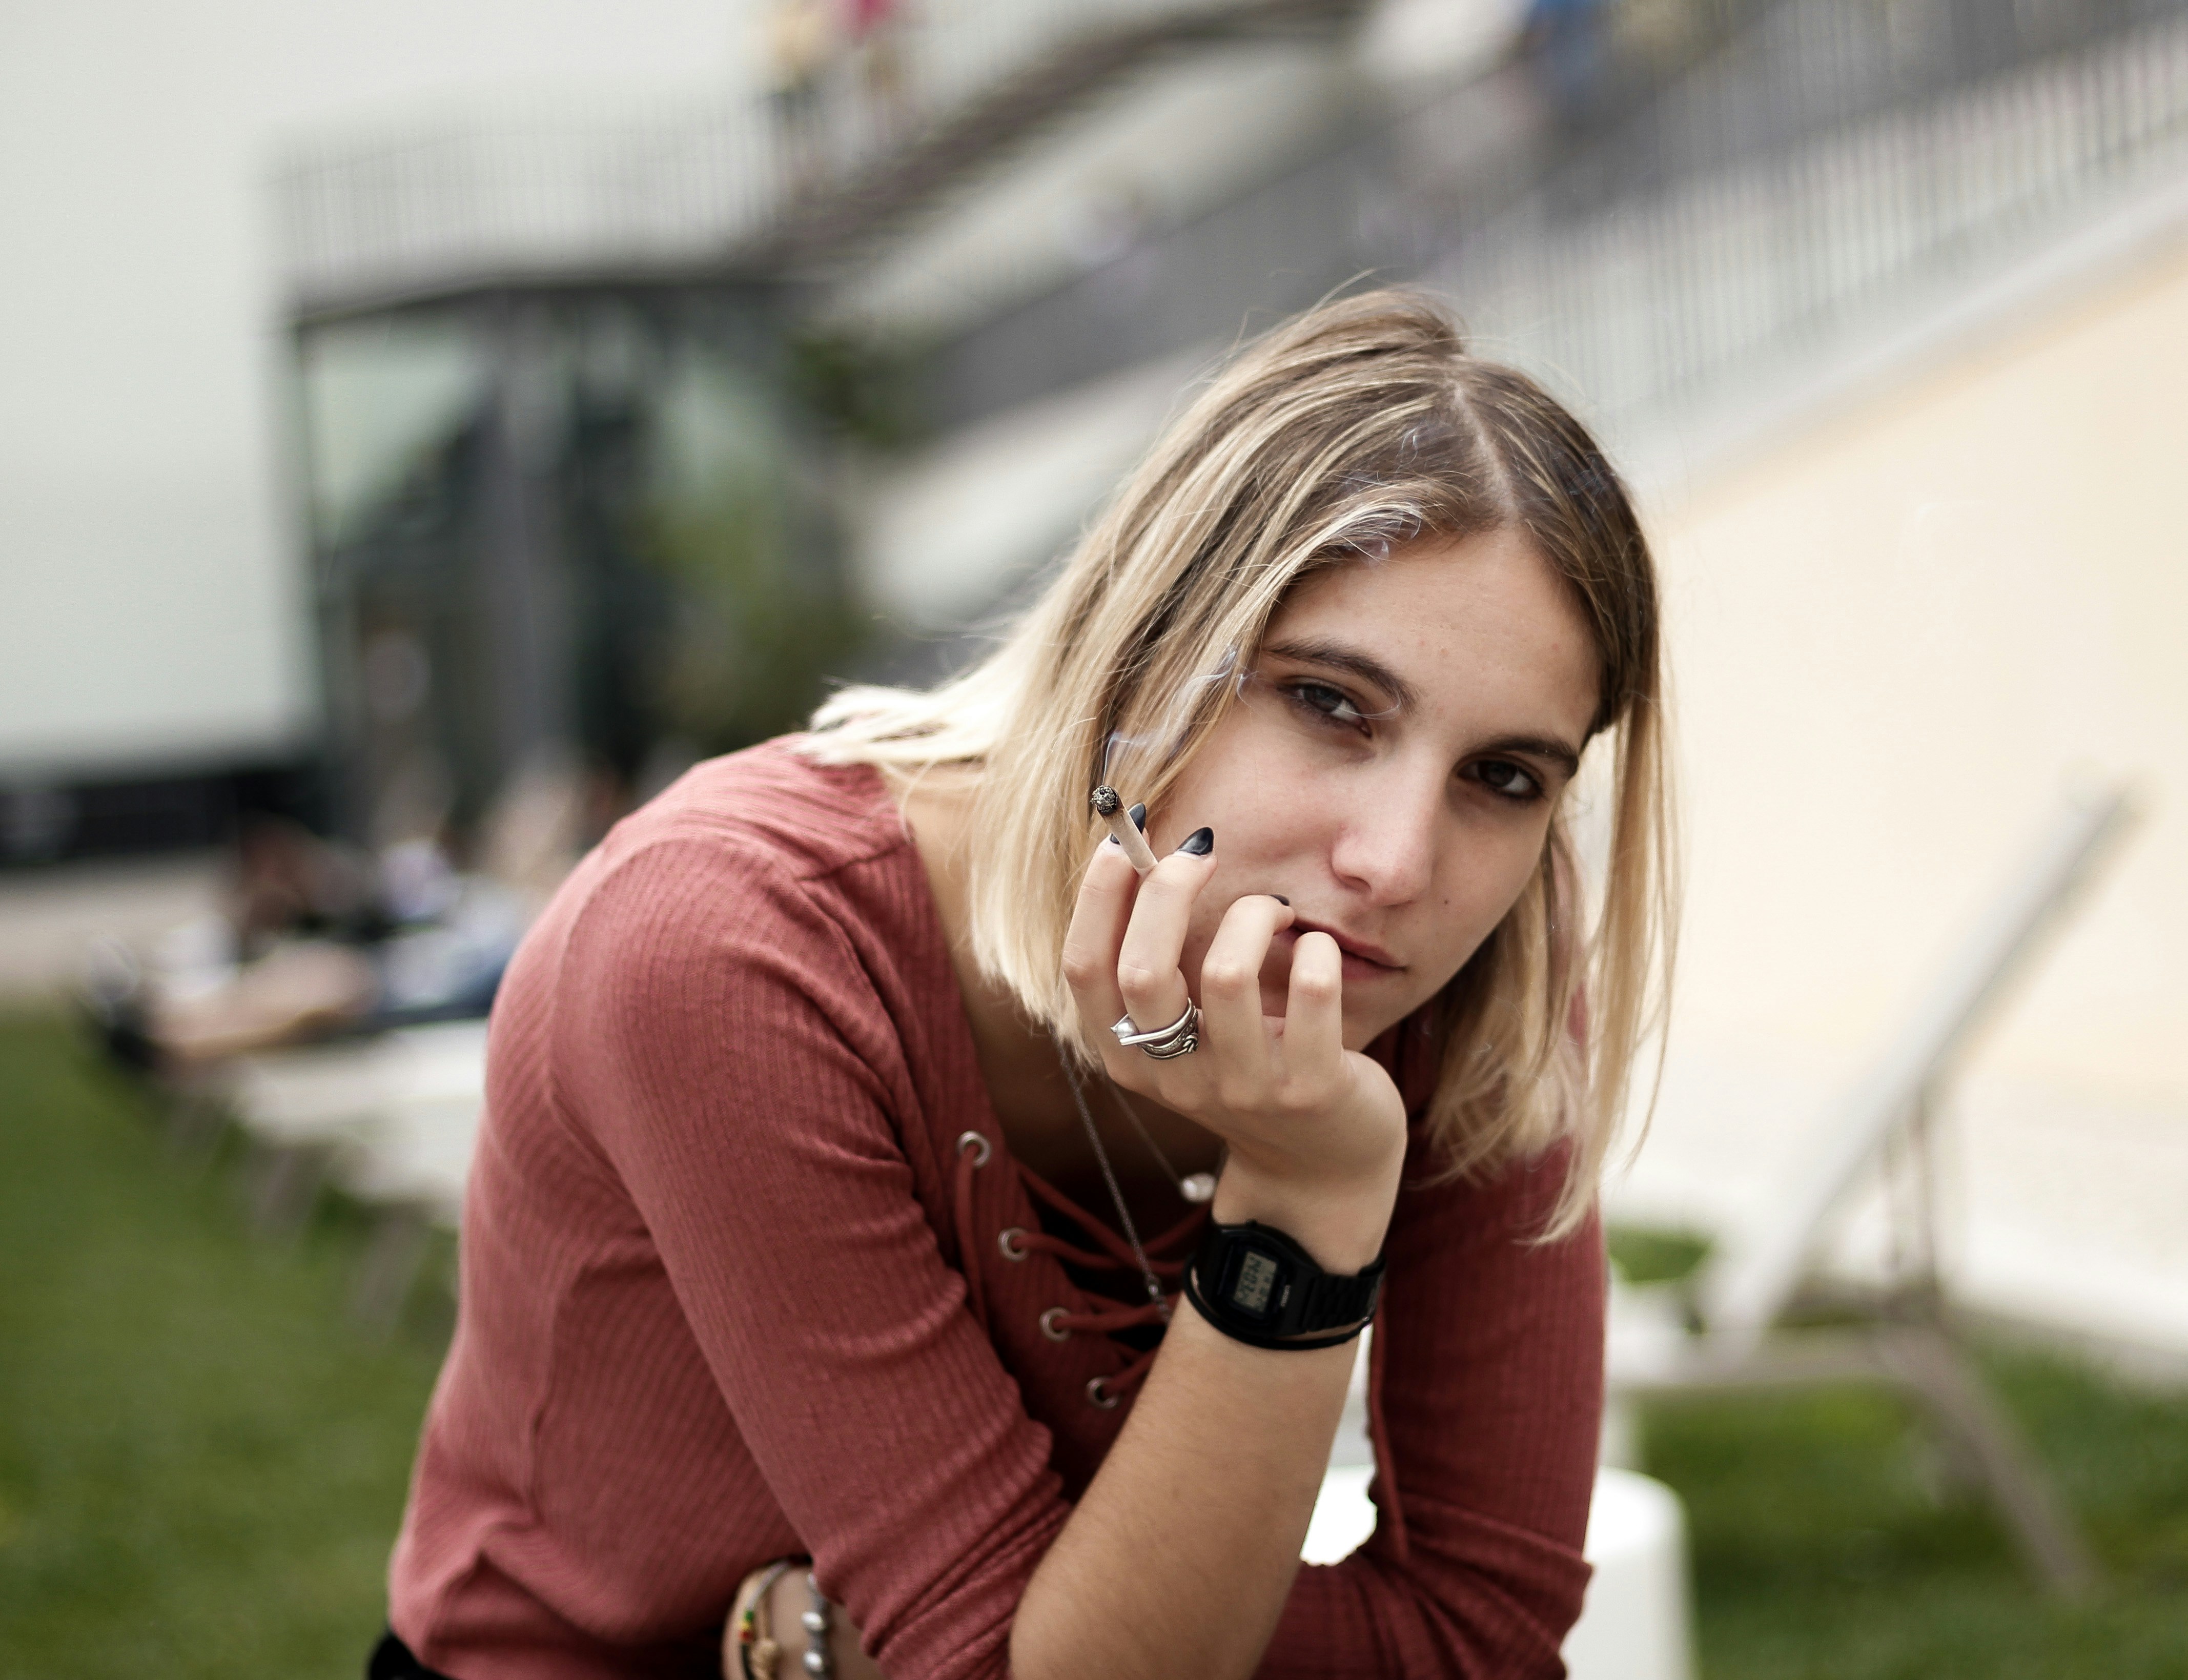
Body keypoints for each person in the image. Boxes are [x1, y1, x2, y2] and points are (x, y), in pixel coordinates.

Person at [373, 288, 1674, 1680]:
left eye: (1504, 777)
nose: (1398, 861)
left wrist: (1007, 1628)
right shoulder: (735, 952)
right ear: (1146, 641)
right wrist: (1303, 1210)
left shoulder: (1475, 982)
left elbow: (1483, 1634)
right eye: (1332, 704)